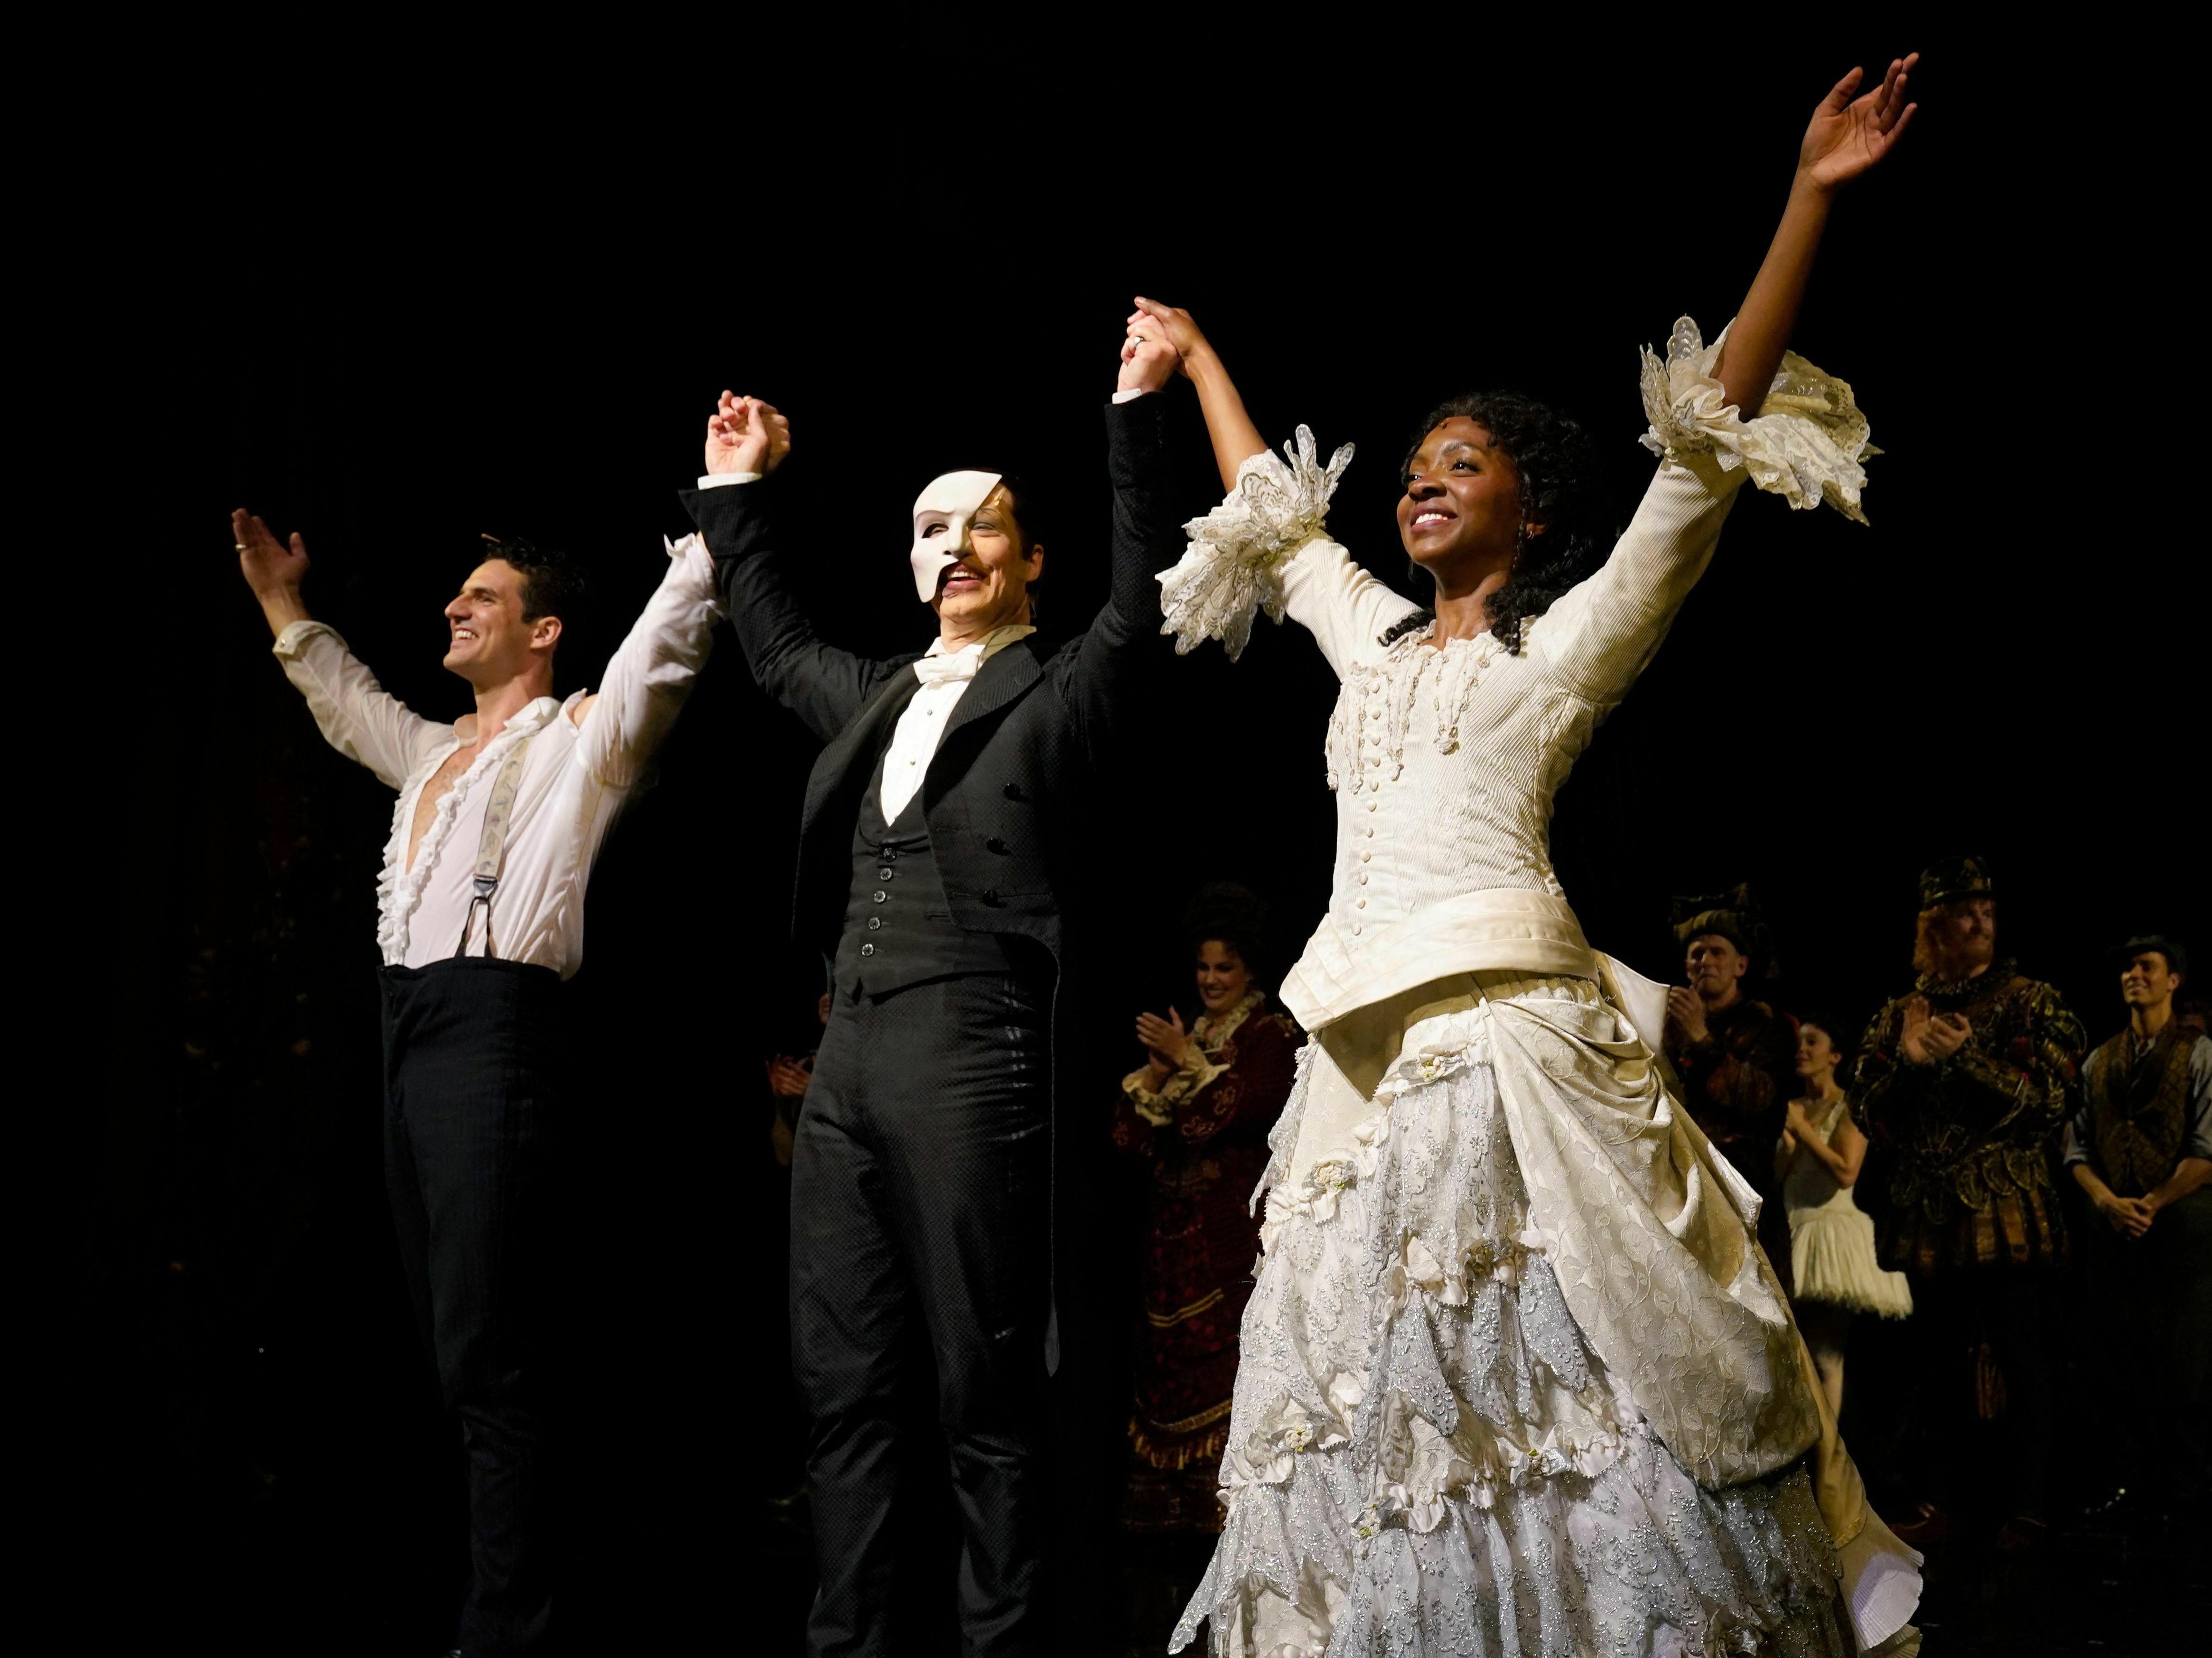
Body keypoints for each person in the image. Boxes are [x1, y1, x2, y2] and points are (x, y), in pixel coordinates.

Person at [1136, 55, 1925, 1658]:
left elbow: (1700, 459)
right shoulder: (1371, 644)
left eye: (1462, 462)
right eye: (1415, 462)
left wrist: (1809, 200)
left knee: (1578, 1394)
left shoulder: (1560, 650)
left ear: (1528, 505)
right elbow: (1280, 527)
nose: (1423, 477)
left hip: (1510, 1048)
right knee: (1400, 1412)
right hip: (1363, 1072)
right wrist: (1207, 356)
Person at [680, 322, 1189, 1656]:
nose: (952, 548)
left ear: (1027, 558)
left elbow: (1143, 600)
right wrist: (740, 493)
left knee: (982, 1391)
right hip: (848, 1062)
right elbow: (776, 641)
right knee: (840, 1386)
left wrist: (1132, 410)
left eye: (982, 528)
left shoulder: (1058, 683)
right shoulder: (874, 692)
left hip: (976, 1051)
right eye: (928, 529)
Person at [233, 511, 724, 1655]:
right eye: (457, 595)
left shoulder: (578, 739)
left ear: (542, 631)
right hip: (413, 1029)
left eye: (484, 597)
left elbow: (660, 649)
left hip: (498, 1027)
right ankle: (487, 1598)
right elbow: (347, 704)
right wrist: (280, 603)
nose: (456, 608)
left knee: (491, 1345)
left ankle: (511, 1626)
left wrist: (716, 522)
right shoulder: (434, 754)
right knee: (447, 1341)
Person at [1853, 856, 2085, 1549]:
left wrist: (1966, 1059)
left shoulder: (2029, 998)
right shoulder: (1902, 1013)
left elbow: (2052, 1101)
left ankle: (2029, 1505)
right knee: (1938, 1364)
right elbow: (1867, 1112)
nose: (1980, 919)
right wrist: (1909, 1063)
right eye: (1963, 909)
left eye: (1986, 907)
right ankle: (1951, 1500)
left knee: (2020, 1356)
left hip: (2005, 1205)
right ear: (1934, 924)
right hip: (1927, 1212)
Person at [1111, 886, 1302, 1533]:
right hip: (1171, 1247)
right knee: (1164, 1376)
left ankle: (1231, 1529)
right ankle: (1161, 1535)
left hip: (1230, 1243)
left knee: (1232, 1371)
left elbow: (1236, 1111)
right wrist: (1162, 1074)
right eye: (1203, 968)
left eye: (1225, 967)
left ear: (1249, 969)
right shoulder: (1184, 1039)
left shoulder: (1269, 1035)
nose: (1212, 979)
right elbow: (1127, 1141)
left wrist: (1189, 1064)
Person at [2062, 935, 2212, 1521]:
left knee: (2183, 1358)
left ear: (2172, 980)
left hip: (2181, 1226)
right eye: (2126, 966)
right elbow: (2075, 1147)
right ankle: (2125, 1483)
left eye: (2145, 966)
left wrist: (2150, 1200)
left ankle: (2182, 1490)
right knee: (2116, 1355)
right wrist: (2106, 1201)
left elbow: (2205, 1147)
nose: (2132, 974)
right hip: (2112, 1226)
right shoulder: (2100, 1059)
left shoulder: (2198, 1052)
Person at [1776, 1016, 1912, 1416]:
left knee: (1824, 1354)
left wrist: (1803, 1132)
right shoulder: (1793, 1107)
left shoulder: (1850, 1106)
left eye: (1812, 1042)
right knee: (1789, 1355)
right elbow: (1778, 1175)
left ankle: (1830, 1453)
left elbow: (1845, 1171)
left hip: (1830, 1234)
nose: (1801, 1050)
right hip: (1790, 1228)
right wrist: (1788, 1138)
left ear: (1834, 1055)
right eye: (1798, 1043)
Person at [1664, 886, 1800, 1286]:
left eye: (1716, 952)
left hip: (1745, 1195)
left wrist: (1703, 1041)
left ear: (1740, 965)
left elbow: (1759, 1099)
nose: (1705, 961)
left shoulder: (1768, 1026)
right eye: (1696, 954)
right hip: (1683, 1190)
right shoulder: (1667, 1027)